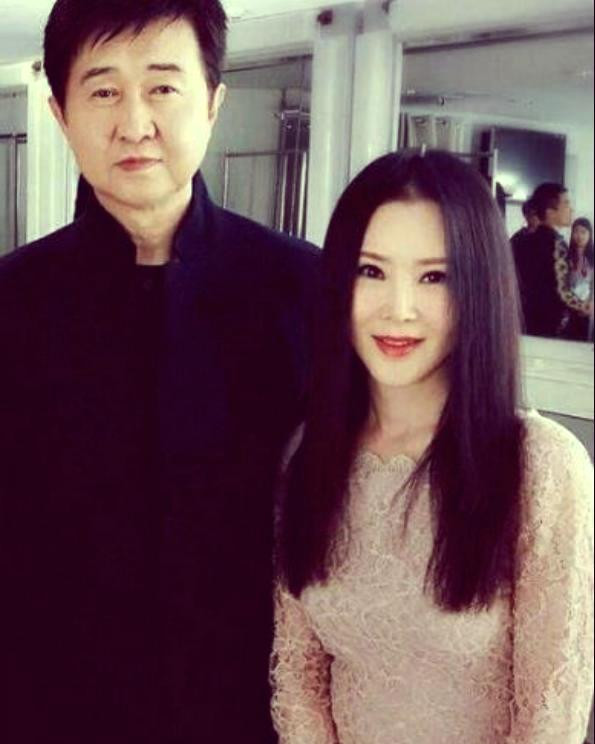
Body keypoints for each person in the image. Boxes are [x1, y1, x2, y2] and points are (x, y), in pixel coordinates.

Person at [0, 1, 318, 742]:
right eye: (104, 90)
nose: (134, 122)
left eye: (163, 87)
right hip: (47, 706)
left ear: (213, 103)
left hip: (251, 710)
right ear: (60, 112)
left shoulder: (303, 290)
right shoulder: (12, 302)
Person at [270, 150, 594, 744]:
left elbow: (552, 717)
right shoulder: (309, 453)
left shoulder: (542, 467)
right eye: (371, 271)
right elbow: (299, 677)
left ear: (478, 289)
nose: (398, 310)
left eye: (434, 277)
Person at [515, 182, 589, 337]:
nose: (571, 209)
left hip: (524, 319)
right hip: (547, 322)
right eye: (566, 203)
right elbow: (561, 292)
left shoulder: (523, 241)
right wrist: (585, 306)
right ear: (550, 212)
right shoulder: (556, 243)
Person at [561, 217, 594, 340]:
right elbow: (563, 283)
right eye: (576, 231)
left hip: (589, 306)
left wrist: (591, 303)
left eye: (583, 232)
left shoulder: (593, 256)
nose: (579, 236)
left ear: (590, 234)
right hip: (570, 305)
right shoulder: (566, 255)